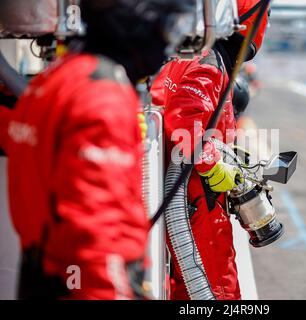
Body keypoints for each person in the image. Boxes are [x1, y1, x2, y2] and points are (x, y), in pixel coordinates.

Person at [0, 0, 196, 300]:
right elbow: (95, 235)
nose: (169, 44)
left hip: (40, 275)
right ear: (136, 23)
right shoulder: (103, 96)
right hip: (83, 285)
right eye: (170, 28)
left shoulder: (57, 78)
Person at [150, 0, 270, 300]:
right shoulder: (208, 61)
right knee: (215, 292)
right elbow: (185, 121)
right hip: (196, 205)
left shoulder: (181, 55)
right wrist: (213, 164)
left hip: (178, 201)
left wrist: (226, 153)